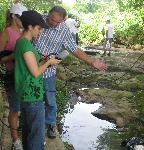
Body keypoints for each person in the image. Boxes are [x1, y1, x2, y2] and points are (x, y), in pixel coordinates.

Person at [32, 6, 107, 139]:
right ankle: (29, 121)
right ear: (48, 14)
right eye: (51, 19)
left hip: (48, 71)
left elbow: (75, 49)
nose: (53, 23)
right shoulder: (39, 20)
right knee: (31, 97)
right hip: (31, 68)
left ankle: (50, 124)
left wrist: (92, 61)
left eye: (57, 22)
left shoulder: (64, 31)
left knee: (50, 99)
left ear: (63, 20)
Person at [15, 10, 61, 150]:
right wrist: (49, 63)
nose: (40, 32)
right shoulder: (26, 45)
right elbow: (35, 73)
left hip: (25, 93)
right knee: (36, 136)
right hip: (32, 95)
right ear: (30, 27)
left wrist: (44, 61)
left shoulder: (21, 42)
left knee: (28, 132)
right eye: (39, 28)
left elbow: (31, 68)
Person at [0, 3, 27, 150]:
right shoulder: (6, 32)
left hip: (25, 76)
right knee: (15, 109)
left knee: (25, 107)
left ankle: (24, 135)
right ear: (13, 16)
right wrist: (13, 55)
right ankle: (16, 140)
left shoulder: (25, 31)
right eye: (21, 17)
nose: (24, 19)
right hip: (11, 76)